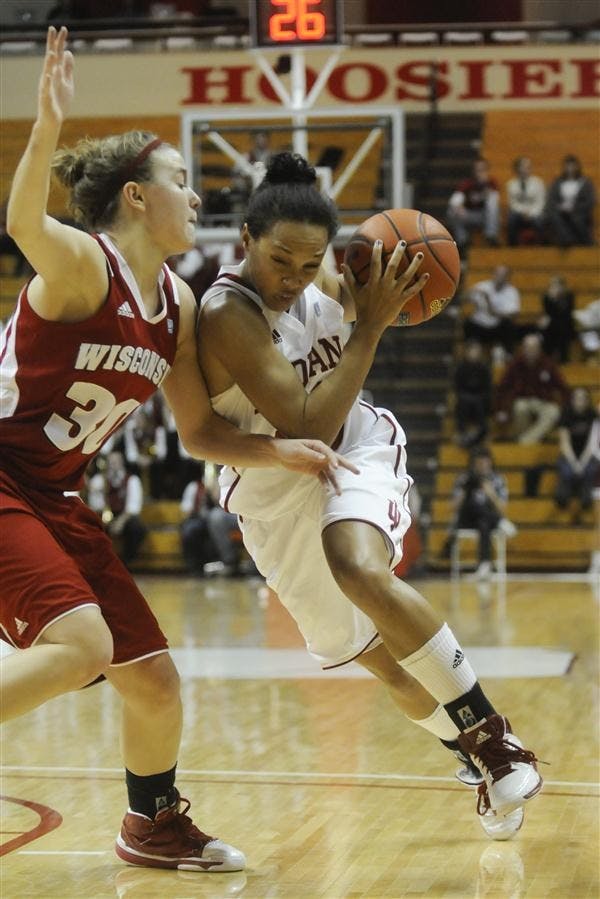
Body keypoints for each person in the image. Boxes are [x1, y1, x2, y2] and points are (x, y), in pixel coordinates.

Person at [0, 27, 358, 876]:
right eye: (181, 181)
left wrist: (287, 453)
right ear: (134, 197)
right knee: (83, 646)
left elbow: (199, 433)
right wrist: (47, 124)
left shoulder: (179, 309)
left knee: (153, 676)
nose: (196, 198)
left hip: (53, 495)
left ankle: (152, 823)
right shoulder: (84, 266)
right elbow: (21, 219)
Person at [196, 150, 543, 842]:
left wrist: (401, 287)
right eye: (280, 261)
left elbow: (327, 422)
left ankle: (496, 737)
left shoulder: (322, 273)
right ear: (246, 243)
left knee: (357, 564)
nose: (296, 278)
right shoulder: (226, 312)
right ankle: (471, 755)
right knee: (382, 661)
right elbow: (301, 419)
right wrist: (372, 325)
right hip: (271, 497)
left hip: (351, 447)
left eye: (310, 262)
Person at [447, 447, 515, 581]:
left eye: (485, 463)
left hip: (484, 522)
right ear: (473, 464)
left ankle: (484, 565)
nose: (482, 466)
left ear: (490, 463)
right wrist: (466, 491)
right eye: (479, 463)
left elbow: (502, 509)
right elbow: (453, 507)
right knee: (474, 505)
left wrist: (490, 493)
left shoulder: (498, 480)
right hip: (466, 519)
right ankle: (499, 522)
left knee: (483, 522)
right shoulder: (464, 479)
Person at [495, 333, 570, 445]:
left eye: (533, 347)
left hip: (544, 401)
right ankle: (527, 441)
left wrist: (567, 408)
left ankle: (524, 442)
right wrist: (501, 409)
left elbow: (562, 387)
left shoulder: (548, 364)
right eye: (528, 347)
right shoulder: (515, 364)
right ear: (523, 348)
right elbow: (502, 388)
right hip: (522, 400)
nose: (530, 350)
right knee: (520, 408)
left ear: (539, 348)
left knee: (554, 412)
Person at [554, 388, 600, 515]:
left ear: (587, 400)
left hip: (587, 454)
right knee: (566, 470)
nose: (580, 401)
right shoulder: (566, 414)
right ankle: (562, 499)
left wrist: (582, 463)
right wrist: (574, 462)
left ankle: (586, 501)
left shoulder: (592, 415)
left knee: (590, 470)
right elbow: (564, 443)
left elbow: (592, 442)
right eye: (577, 398)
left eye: (583, 398)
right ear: (572, 400)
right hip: (569, 454)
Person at [463, 264, 521, 360]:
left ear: (508, 277)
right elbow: (464, 299)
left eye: (503, 275)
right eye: (497, 274)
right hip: (480, 325)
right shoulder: (482, 286)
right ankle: (471, 352)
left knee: (510, 326)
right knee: (467, 324)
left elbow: (513, 314)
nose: (500, 277)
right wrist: (469, 293)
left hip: (497, 327)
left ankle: (508, 354)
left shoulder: (512, 292)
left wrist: (490, 304)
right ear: (493, 274)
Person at [446, 158, 501, 254]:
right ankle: (462, 241)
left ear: (487, 170)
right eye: (477, 170)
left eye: (482, 170)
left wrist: (486, 189)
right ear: (473, 171)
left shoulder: (491, 183)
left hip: (485, 217)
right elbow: (454, 201)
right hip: (469, 215)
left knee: (492, 201)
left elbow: (494, 202)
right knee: (452, 211)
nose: (480, 173)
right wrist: (459, 207)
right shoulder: (467, 183)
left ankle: (491, 235)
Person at [544, 154, 596, 248]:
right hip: (561, 212)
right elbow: (551, 200)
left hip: (579, 212)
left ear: (577, 167)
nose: (570, 168)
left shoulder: (585, 182)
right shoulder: (558, 182)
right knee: (553, 215)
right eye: (567, 166)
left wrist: (574, 208)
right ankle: (566, 239)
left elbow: (590, 201)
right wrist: (560, 207)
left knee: (576, 218)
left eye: (572, 166)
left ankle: (586, 242)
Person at [453, 339, 493, 448]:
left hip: (481, 399)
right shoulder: (461, 368)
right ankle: (462, 431)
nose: (474, 353)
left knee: (479, 403)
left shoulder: (484, 368)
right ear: (466, 352)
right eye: (471, 350)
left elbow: (488, 387)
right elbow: (457, 387)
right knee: (464, 401)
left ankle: (481, 430)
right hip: (465, 398)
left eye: (476, 351)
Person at [505, 156, 546, 247]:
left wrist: (530, 213)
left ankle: (541, 246)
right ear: (518, 168)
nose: (526, 169)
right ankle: (513, 248)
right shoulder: (511, 184)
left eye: (528, 166)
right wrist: (523, 212)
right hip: (519, 214)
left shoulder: (538, 182)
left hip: (535, 213)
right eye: (523, 166)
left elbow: (541, 202)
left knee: (540, 220)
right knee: (511, 218)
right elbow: (513, 203)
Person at [537, 274, 576, 364]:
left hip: (565, 323)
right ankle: (548, 356)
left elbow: (566, 313)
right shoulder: (546, 296)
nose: (554, 287)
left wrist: (557, 300)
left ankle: (564, 358)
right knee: (546, 327)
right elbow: (548, 312)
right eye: (552, 285)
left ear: (563, 286)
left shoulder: (569, 296)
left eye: (556, 284)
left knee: (560, 326)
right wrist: (552, 300)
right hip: (552, 323)